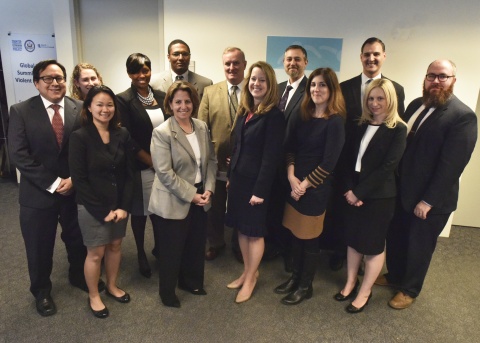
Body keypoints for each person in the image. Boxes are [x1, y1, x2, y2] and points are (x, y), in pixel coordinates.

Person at [376, 59, 477, 310]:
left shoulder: (462, 116)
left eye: (443, 77)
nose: (436, 81)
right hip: (402, 190)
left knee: (419, 246)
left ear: (453, 80)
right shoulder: (415, 105)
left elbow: (451, 166)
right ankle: (396, 276)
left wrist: (428, 201)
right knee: (397, 237)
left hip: (430, 200)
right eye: (431, 76)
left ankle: (409, 289)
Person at [8, 59, 101, 317]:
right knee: (39, 246)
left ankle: (78, 276)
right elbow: (18, 154)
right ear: (37, 83)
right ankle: (41, 291)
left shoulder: (81, 108)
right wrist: (53, 182)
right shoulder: (21, 111)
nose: (55, 83)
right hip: (38, 194)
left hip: (74, 191)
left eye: (59, 77)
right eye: (48, 78)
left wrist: (72, 178)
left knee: (77, 239)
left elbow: (88, 149)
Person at [327, 37, 406, 271]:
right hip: (348, 160)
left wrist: (364, 188)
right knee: (344, 213)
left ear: (383, 56)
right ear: (361, 57)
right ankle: (341, 251)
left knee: (370, 226)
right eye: (366, 54)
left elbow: (393, 131)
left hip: (376, 172)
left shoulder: (396, 89)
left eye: (376, 54)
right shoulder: (345, 87)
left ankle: (363, 260)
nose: (371, 58)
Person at [333, 79, 406, 313]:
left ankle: (365, 291)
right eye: (371, 99)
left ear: (390, 100)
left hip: (379, 197)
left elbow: (388, 167)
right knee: (353, 241)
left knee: (372, 246)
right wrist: (348, 189)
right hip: (352, 191)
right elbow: (346, 160)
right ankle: (350, 282)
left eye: (380, 98)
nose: (375, 103)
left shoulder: (399, 129)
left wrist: (359, 192)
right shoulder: (360, 124)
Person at [274, 67, 345, 305]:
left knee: (309, 238)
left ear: (331, 89)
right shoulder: (303, 115)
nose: (316, 89)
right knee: (295, 234)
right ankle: (295, 278)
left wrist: (303, 185)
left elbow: (329, 163)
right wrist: (292, 176)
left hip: (315, 189)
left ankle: (306, 285)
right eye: (313, 85)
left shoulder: (335, 122)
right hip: (295, 184)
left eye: (322, 85)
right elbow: (290, 148)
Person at [149, 81, 217, 308]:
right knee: (172, 249)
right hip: (173, 197)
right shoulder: (162, 132)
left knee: (195, 244)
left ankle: (192, 282)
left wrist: (208, 189)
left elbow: (211, 161)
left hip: (200, 194)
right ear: (169, 104)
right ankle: (167, 292)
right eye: (177, 101)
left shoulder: (201, 127)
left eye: (187, 101)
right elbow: (164, 172)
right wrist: (192, 195)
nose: (183, 106)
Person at [69, 85, 134, 319]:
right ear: (89, 107)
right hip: (92, 207)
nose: (105, 109)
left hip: (119, 206)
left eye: (109, 104)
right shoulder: (80, 137)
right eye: (99, 104)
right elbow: (79, 179)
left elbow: (130, 174)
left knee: (115, 246)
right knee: (95, 253)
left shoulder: (122, 134)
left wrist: (124, 206)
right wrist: (102, 211)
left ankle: (113, 285)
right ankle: (94, 294)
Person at [225, 61, 285, 303]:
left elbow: (271, 159)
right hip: (239, 181)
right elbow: (238, 147)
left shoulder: (274, 116)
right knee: (241, 228)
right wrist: (230, 177)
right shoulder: (246, 111)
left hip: (256, 186)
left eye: (261, 80)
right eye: (253, 79)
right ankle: (248, 271)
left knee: (254, 233)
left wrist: (260, 191)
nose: (256, 84)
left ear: (269, 85)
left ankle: (250, 279)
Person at [117, 53, 168, 278]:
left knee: (160, 211)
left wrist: (165, 162)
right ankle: (140, 253)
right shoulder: (123, 100)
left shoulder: (162, 95)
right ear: (129, 73)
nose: (141, 75)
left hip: (164, 164)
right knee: (141, 212)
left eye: (145, 69)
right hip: (140, 165)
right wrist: (152, 161)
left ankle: (160, 248)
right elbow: (127, 138)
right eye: (136, 71)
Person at [198, 47, 246, 262]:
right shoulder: (210, 91)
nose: (232, 67)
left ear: (244, 64)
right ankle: (215, 242)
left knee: (239, 205)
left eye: (236, 63)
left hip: (243, 165)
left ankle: (238, 244)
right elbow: (201, 128)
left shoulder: (254, 91)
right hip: (216, 163)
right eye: (227, 63)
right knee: (215, 207)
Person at [269, 45, 309, 270]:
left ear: (305, 62)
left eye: (297, 59)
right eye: (288, 60)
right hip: (274, 160)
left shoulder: (311, 89)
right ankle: (275, 245)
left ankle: (291, 255)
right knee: (275, 204)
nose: (292, 63)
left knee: (293, 209)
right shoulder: (277, 89)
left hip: (297, 161)